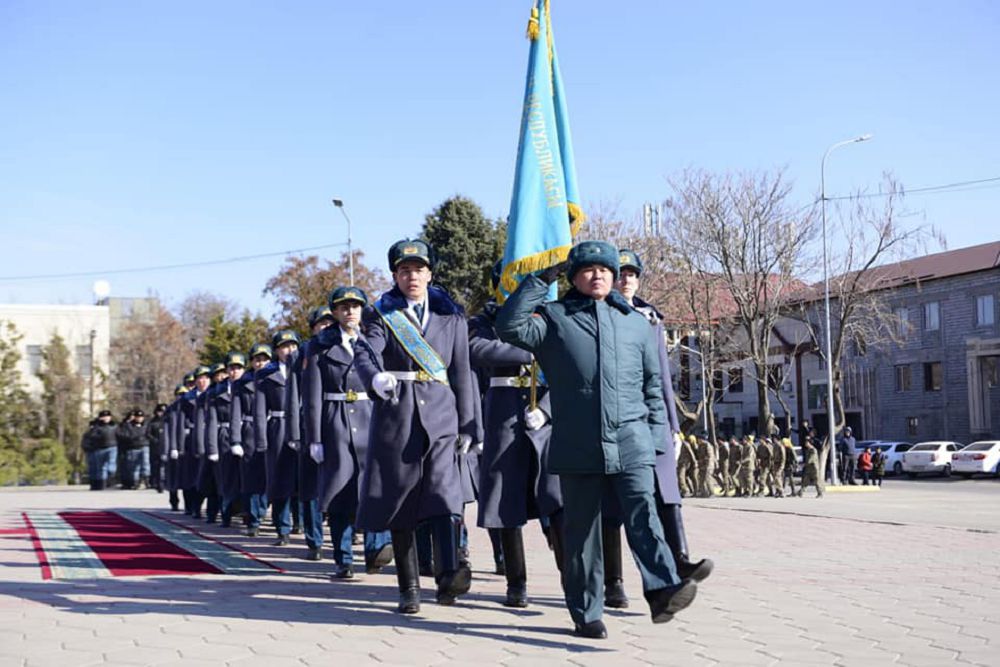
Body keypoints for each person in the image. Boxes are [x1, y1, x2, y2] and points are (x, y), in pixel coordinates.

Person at [496, 240, 697, 639]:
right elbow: (509, 326)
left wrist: (655, 437)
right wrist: (541, 280)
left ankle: (662, 590)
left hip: (631, 440)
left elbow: (653, 385)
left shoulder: (636, 323)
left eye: (605, 269)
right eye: (588, 269)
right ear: (573, 277)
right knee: (582, 533)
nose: (598, 275)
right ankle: (586, 612)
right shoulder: (554, 318)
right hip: (579, 443)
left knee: (644, 516)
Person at [353, 239, 477, 614]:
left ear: (430, 274)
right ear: (395, 276)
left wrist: (469, 425)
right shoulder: (381, 314)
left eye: (419, 270)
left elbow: (462, 372)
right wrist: (375, 378)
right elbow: (366, 351)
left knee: (445, 497)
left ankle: (448, 574)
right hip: (399, 417)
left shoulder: (451, 317)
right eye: (404, 270)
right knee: (401, 503)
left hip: (441, 417)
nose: (412, 277)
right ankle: (409, 587)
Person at [604, 249, 713, 612]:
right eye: (621, 273)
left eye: (632, 274)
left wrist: (673, 426)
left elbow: (663, 377)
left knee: (667, 490)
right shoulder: (601, 312)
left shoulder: (651, 319)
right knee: (615, 502)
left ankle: (680, 559)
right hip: (617, 415)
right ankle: (613, 581)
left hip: (652, 416)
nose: (626, 280)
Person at [471, 261, 564, 608]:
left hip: (547, 417)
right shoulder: (486, 320)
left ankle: (571, 577)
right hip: (504, 416)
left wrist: (548, 409)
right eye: (509, 282)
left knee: (558, 500)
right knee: (505, 502)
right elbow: (478, 350)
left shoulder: (553, 317)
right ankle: (516, 581)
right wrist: (533, 349)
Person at [303, 289, 393, 577]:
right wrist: (315, 438)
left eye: (355, 306)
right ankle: (343, 559)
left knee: (375, 487)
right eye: (344, 307)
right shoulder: (319, 346)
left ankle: (376, 550)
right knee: (340, 493)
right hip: (336, 422)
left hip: (371, 417)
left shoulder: (375, 340)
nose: (350, 311)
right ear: (335, 312)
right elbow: (312, 395)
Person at [255, 330, 301, 546]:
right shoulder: (266, 375)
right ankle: (282, 528)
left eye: (293, 345)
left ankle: (301, 522)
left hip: (302, 427)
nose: (289, 350)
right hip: (278, 427)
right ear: (276, 351)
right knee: (280, 481)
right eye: (284, 346)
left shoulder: (306, 368)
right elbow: (260, 410)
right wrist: (261, 440)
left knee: (303, 480)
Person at [231, 343, 271, 536]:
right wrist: (235, 440)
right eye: (257, 359)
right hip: (250, 432)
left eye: (264, 359)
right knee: (252, 478)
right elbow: (236, 413)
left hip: (272, 429)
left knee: (270, 476)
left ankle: (265, 511)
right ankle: (253, 517)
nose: (260, 363)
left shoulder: (277, 378)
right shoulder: (242, 384)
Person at [207, 353, 246, 528]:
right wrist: (212, 448)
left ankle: (247, 513)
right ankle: (226, 513)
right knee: (227, 479)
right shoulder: (217, 392)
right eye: (231, 368)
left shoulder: (251, 385)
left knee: (247, 477)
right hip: (224, 436)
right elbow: (212, 421)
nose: (234, 371)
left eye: (238, 368)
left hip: (246, 433)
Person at [196, 363, 228, 523]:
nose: (220, 377)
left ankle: (227, 512)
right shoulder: (208, 395)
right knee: (211, 481)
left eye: (223, 373)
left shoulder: (230, 389)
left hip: (226, 438)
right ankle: (210, 512)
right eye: (217, 375)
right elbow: (203, 422)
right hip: (212, 439)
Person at [83, 411, 117, 490]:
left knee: (111, 465)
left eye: (107, 416)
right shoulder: (97, 427)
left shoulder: (114, 426)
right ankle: (102, 483)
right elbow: (91, 436)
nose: (106, 418)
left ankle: (110, 478)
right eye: (104, 417)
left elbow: (120, 434)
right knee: (101, 468)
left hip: (112, 447)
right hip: (100, 448)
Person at [116, 409, 149, 490]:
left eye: (141, 417)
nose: (139, 418)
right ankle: (135, 482)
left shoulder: (147, 425)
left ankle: (144, 480)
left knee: (145, 464)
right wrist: (135, 436)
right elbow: (126, 435)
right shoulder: (128, 425)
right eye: (137, 417)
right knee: (134, 466)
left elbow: (148, 434)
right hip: (133, 447)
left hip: (144, 446)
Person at [147, 404, 168, 492]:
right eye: (159, 411)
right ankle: (156, 482)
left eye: (163, 411)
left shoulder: (168, 421)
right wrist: (155, 440)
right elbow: (148, 433)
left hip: (166, 446)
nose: (161, 413)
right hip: (155, 447)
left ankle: (165, 482)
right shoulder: (152, 422)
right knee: (156, 466)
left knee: (165, 466)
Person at [800, 428, 824, 498]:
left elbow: (811, 459)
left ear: (809, 443)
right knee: (805, 481)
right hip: (809, 468)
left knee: (817, 481)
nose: (805, 444)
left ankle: (820, 493)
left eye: (807, 442)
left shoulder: (813, 450)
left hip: (814, 468)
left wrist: (804, 464)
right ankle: (801, 492)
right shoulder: (808, 450)